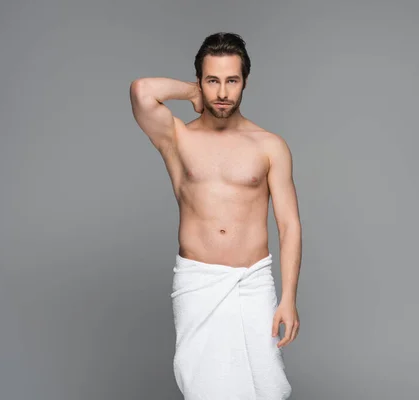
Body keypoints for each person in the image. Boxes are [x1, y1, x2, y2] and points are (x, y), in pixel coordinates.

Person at [129, 32, 301, 399]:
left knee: (265, 389)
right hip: (198, 283)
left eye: (232, 80)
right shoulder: (177, 138)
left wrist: (288, 298)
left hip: (253, 283)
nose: (222, 92)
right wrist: (190, 94)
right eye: (212, 80)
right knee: (205, 389)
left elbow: (289, 226)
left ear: (245, 83)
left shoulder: (270, 146)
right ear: (200, 82)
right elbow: (142, 90)